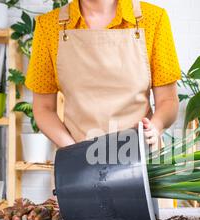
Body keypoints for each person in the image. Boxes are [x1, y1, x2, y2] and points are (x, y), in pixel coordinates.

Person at [25, 0, 181, 149]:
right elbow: (43, 108)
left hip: (141, 158)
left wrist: (154, 127)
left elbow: (168, 100)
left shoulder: (153, 19)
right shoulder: (49, 27)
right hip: (80, 162)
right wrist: (73, 150)